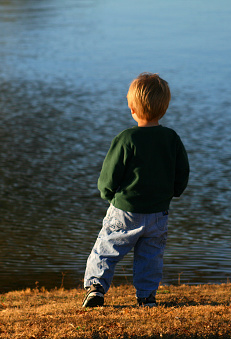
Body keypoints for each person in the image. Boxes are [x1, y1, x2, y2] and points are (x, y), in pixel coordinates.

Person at [82, 72, 189, 308]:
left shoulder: (126, 138)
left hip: (125, 209)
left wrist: (108, 194)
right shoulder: (171, 138)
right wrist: (172, 192)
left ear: (132, 108)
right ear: (164, 108)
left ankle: (96, 288)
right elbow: (182, 172)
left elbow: (109, 175)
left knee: (107, 248)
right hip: (158, 212)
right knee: (151, 256)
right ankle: (146, 295)